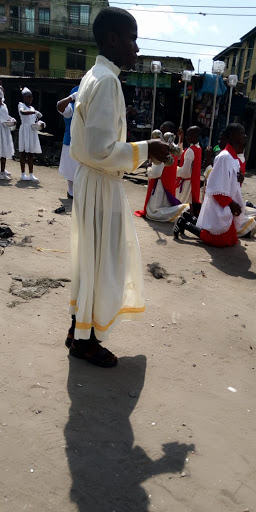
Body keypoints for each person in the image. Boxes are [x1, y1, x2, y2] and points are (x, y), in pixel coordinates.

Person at [66, 7, 170, 367]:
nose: (136, 49)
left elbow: (98, 143)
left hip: (93, 182)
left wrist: (140, 149)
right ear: (113, 39)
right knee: (103, 264)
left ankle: (78, 330)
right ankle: (87, 341)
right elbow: (100, 150)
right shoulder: (107, 81)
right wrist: (148, 149)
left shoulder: (95, 75)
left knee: (91, 261)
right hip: (100, 184)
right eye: (132, 38)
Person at [174, 123, 256, 246]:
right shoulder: (224, 157)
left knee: (230, 239)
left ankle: (189, 219)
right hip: (221, 203)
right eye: (241, 133)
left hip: (227, 203)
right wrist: (231, 204)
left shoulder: (233, 157)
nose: (244, 135)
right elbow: (216, 186)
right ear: (232, 136)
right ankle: (184, 223)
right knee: (217, 240)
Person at [134, 121, 189, 222]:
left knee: (152, 212)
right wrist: (181, 137)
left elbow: (156, 172)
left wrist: (148, 170)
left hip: (160, 183)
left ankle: (183, 210)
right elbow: (180, 153)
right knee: (164, 205)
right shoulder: (174, 147)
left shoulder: (161, 147)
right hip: (168, 182)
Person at [57, 86, 79, 198]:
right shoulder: (70, 108)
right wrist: (72, 97)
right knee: (70, 169)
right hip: (70, 142)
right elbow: (59, 106)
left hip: (83, 144)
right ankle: (70, 192)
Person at [176, 125, 202, 216]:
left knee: (181, 207)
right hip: (192, 182)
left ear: (194, 136)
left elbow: (185, 172)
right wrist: (181, 139)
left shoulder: (190, 151)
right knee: (189, 204)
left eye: (188, 135)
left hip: (185, 183)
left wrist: (174, 170)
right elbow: (181, 154)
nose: (186, 137)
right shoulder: (198, 149)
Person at [18, 87, 43, 182]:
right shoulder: (21, 105)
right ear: (24, 98)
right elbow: (22, 112)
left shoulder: (32, 108)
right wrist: (34, 112)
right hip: (24, 130)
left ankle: (31, 174)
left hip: (32, 131)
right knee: (23, 152)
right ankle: (23, 174)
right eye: (29, 97)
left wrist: (41, 124)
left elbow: (35, 120)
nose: (30, 99)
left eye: (31, 97)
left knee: (31, 154)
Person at [0, 88, 16, 181]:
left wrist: (11, 120)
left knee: (4, 151)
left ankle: (3, 170)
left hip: (5, 131)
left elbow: (6, 116)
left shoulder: (4, 106)